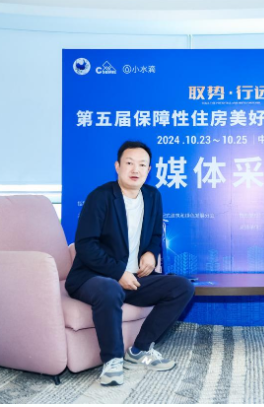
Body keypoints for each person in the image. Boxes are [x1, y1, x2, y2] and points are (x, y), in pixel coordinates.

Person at [65, 141, 194, 386]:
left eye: (142, 165)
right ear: (118, 166)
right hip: (93, 278)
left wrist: (151, 253)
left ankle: (139, 350)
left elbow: (155, 234)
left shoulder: (153, 196)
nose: (136, 169)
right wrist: (117, 273)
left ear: (149, 170)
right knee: (110, 287)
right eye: (129, 163)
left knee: (182, 287)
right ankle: (112, 361)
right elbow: (85, 244)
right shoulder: (100, 197)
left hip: (134, 277)